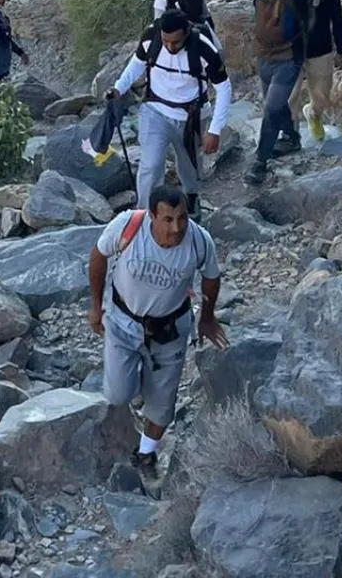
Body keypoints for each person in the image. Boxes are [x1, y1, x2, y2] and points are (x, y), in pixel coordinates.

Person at [89, 184, 227, 478]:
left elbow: (211, 277)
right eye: (167, 219)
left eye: (182, 218)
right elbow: (99, 256)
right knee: (117, 394)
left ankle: (146, 453)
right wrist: (95, 304)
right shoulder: (128, 226)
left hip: (170, 330)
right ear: (152, 216)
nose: (176, 228)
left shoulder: (199, 242)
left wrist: (208, 317)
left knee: (163, 405)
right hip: (123, 323)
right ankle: (137, 383)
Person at [201, 0, 335, 185]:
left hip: (289, 58)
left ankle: (260, 162)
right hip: (263, 58)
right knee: (277, 107)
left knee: (271, 108)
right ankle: (292, 137)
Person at [108, 9, 231, 218]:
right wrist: (119, 88)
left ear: (185, 33)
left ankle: (190, 203)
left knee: (189, 169)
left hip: (191, 118)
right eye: (166, 41)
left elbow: (224, 87)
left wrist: (215, 130)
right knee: (150, 165)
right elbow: (137, 64)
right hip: (155, 111)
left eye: (175, 42)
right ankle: (145, 215)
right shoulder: (151, 38)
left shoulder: (203, 48)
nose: (169, 47)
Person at [290, 0, 342, 143]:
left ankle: (313, 114)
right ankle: (291, 136)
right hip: (292, 52)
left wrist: (341, 50)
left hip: (321, 49)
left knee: (322, 97)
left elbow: (337, 20)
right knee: (290, 96)